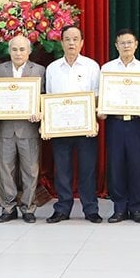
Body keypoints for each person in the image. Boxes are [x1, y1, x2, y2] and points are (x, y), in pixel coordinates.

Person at [45, 25, 102, 223]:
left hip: (86, 127)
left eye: (75, 39)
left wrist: (92, 119)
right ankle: (62, 208)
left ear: (82, 42)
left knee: (87, 169)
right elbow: (49, 98)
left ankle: (90, 209)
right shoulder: (52, 68)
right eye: (67, 39)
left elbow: (96, 96)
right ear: (61, 42)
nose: (71, 43)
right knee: (62, 169)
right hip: (60, 128)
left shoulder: (92, 66)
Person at [0, 34, 45, 223]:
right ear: (9, 51)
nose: (18, 53)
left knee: (30, 170)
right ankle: (8, 208)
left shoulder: (39, 70)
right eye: (14, 49)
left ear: (29, 51)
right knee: (5, 169)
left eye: (22, 49)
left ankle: (28, 208)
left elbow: (44, 98)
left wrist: (39, 112)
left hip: (28, 128)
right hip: (5, 128)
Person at [101, 29, 140, 223]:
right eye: (122, 43)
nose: (126, 46)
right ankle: (119, 209)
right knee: (116, 167)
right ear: (116, 46)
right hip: (115, 123)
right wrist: (102, 110)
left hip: (136, 124)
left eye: (129, 42)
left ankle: (136, 208)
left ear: (136, 44)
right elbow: (103, 97)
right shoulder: (107, 69)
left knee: (136, 166)